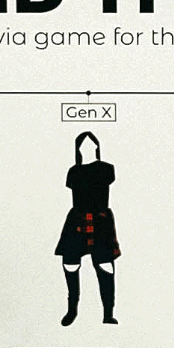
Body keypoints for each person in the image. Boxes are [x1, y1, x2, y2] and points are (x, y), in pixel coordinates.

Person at [54, 132, 119, 325]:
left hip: (100, 221)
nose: (87, 149)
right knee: (70, 264)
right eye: (83, 147)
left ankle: (108, 313)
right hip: (77, 220)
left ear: (97, 148)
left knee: (105, 267)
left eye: (91, 146)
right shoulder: (74, 171)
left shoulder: (107, 168)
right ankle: (72, 309)